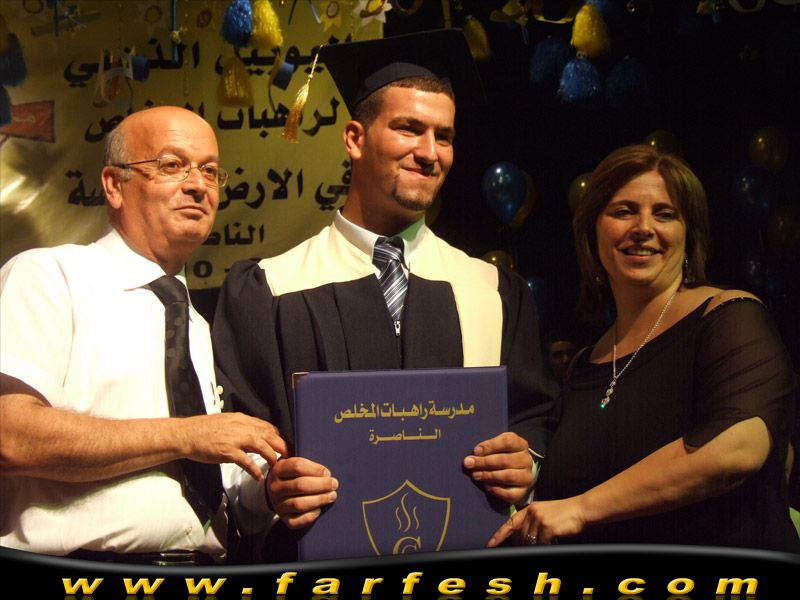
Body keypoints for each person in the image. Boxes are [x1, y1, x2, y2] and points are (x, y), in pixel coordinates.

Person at [212, 30, 556, 560]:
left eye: (444, 136)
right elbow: (239, 445)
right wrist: (269, 490)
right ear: (354, 138)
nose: (430, 153)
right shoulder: (271, 289)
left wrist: (525, 464)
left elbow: (533, 415)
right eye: (409, 129)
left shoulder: (491, 290)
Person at [0, 106, 287, 564]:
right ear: (114, 185)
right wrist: (186, 435)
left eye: (210, 171)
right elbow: (11, 436)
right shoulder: (49, 276)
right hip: (80, 572)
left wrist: (269, 490)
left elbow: (205, 477)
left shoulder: (194, 322)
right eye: (172, 165)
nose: (197, 185)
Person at [489, 144, 800, 551]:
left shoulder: (728, 315)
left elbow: (738, 448)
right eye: (624, 211)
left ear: (689, 235)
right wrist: (522, 468)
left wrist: (582, 508)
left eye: (665, 214)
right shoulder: (585, 363)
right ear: (592, 232)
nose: (643, 227)